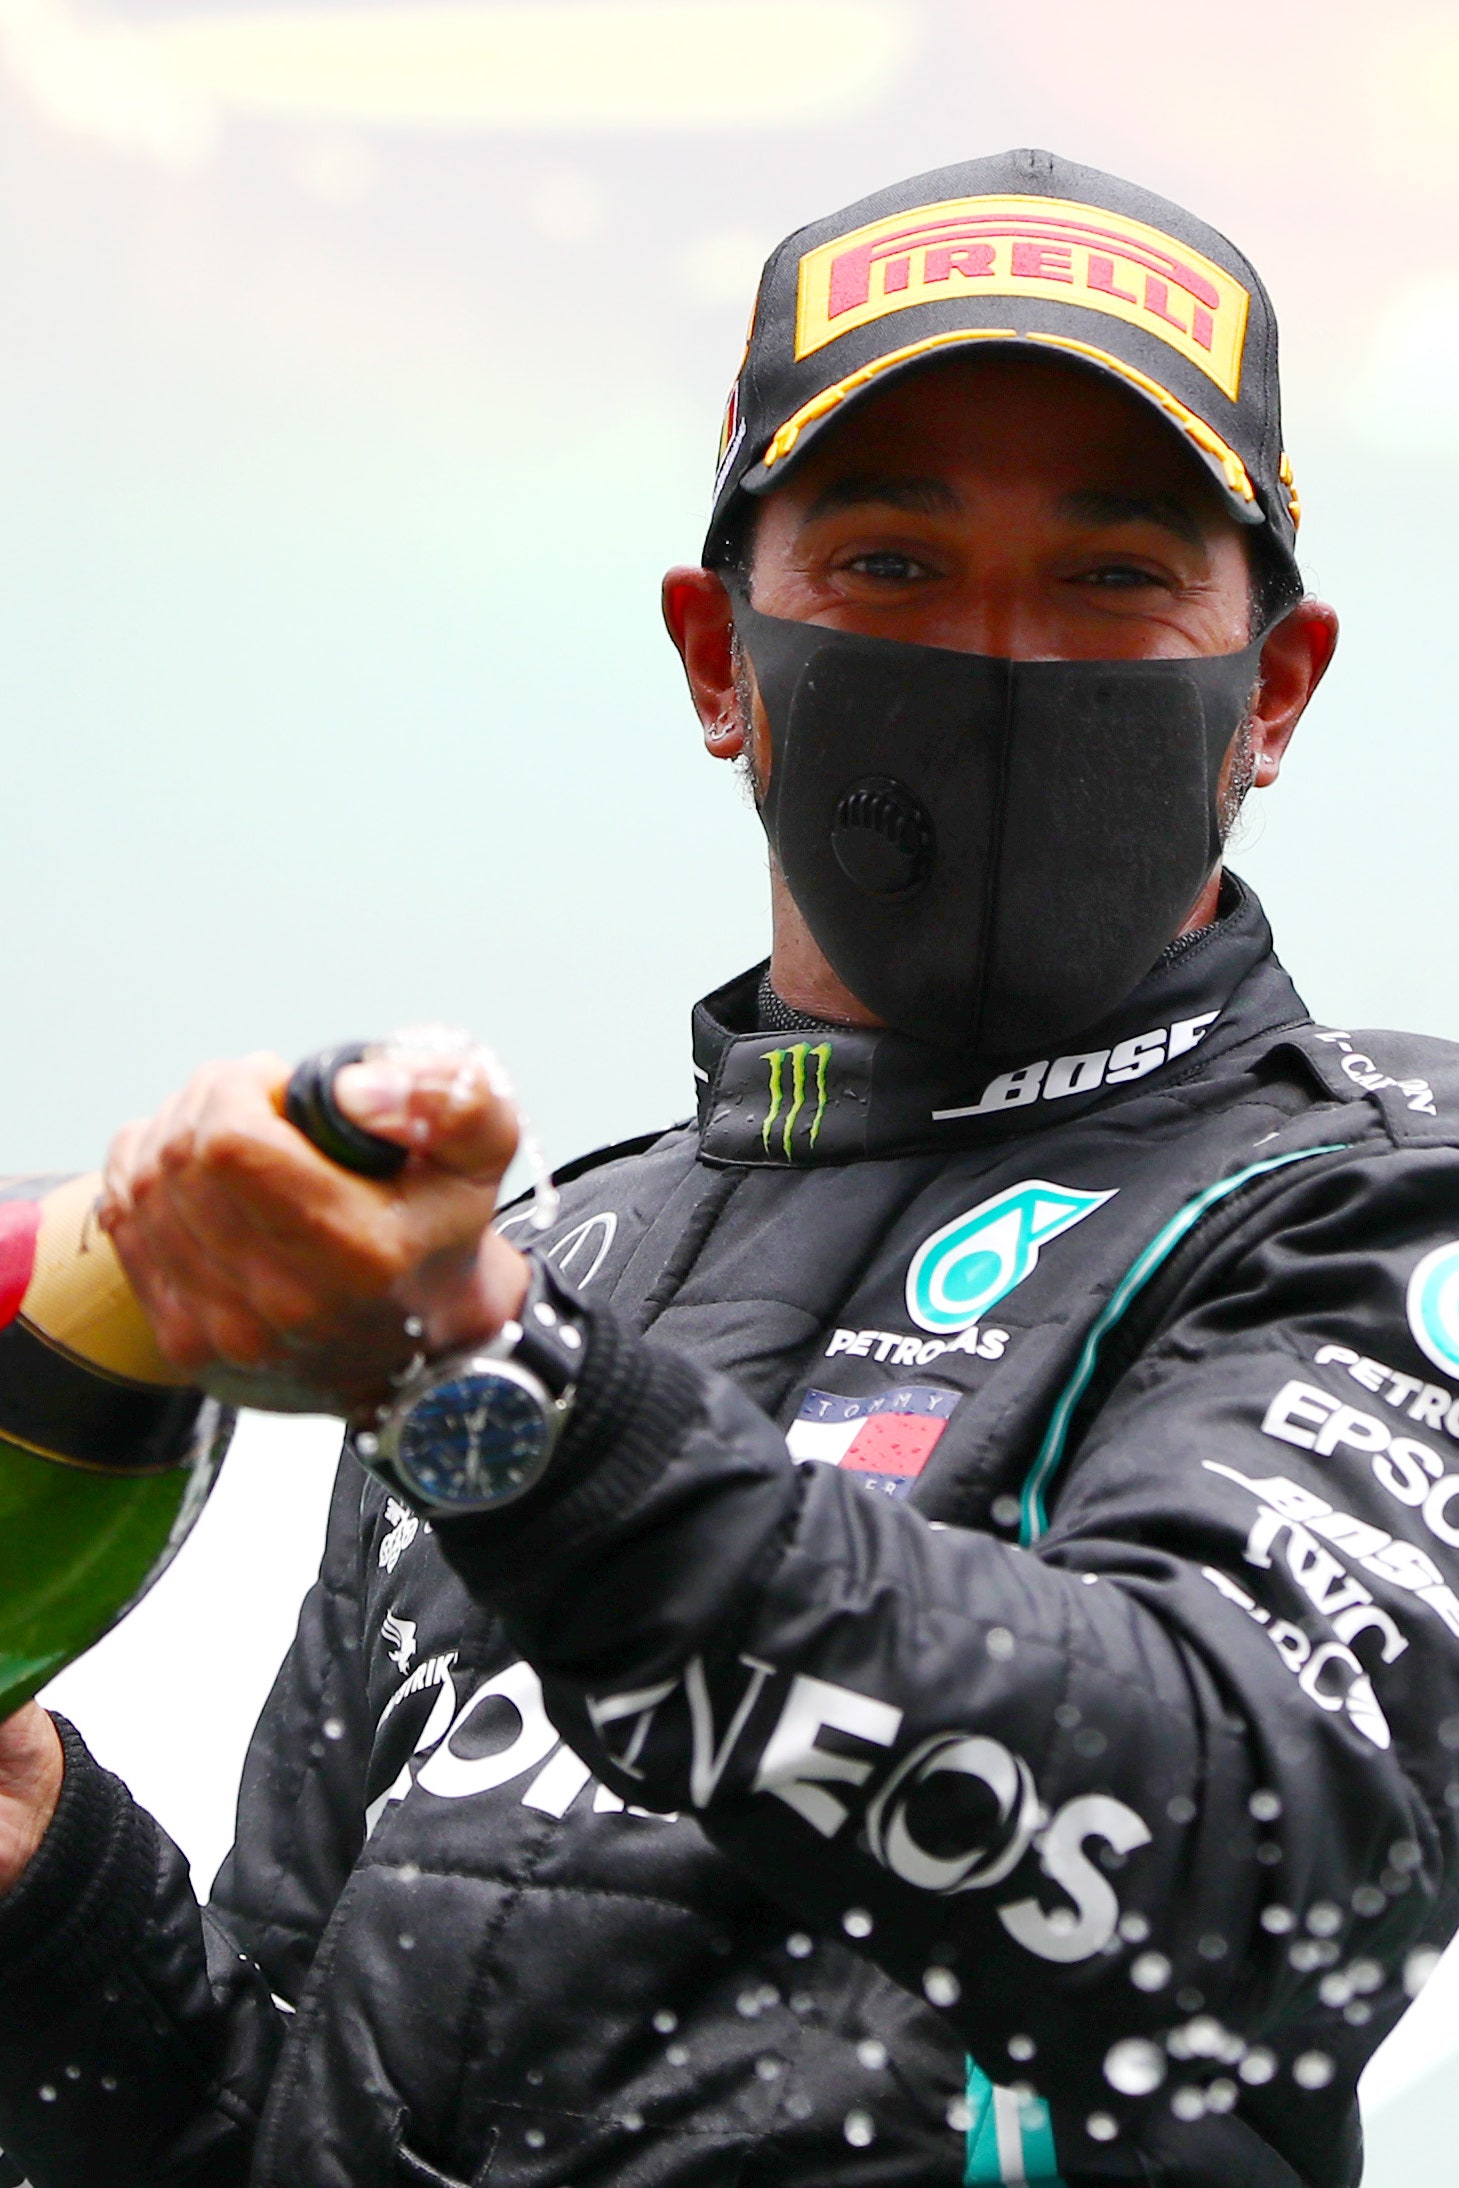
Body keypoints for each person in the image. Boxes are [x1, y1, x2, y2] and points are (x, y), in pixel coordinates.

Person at [0, 146, 1454, 2188]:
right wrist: (46, 1891)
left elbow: (1226, 1868)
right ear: (716, 660)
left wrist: (506, 1400)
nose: (1003, 656)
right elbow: (276, 2135)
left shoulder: (1376, 1206)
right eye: (888, 563)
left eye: (1114, 574)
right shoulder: (545, 1260)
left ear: (1270, 695)